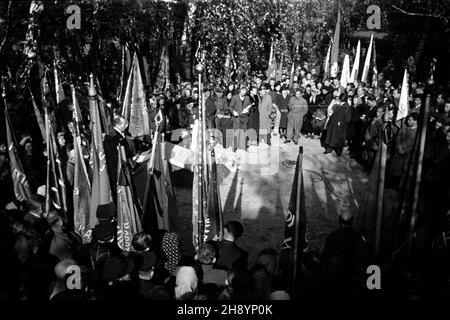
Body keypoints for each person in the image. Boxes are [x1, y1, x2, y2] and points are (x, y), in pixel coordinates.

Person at [104, 115, 136, 199]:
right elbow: (116, 157)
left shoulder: (121, 134)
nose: (127, 125)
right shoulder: (112, 138)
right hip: (118, 171)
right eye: (124, 124)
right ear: (117, 125)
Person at [228, 86, 252, 152]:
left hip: (244, 118)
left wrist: (247, 111)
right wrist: (233, 112)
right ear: (240, 90)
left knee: (244, 133)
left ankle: (242, 147)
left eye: (244, 92)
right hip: (236, 118)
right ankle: (234, 148)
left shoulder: (247, 98)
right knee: (236, 133)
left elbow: (249, 106)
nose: (243, 93)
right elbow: (230, 107)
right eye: (242, 91)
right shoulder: (235, 97)